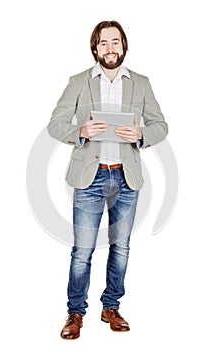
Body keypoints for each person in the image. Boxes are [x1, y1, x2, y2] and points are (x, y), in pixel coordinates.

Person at [48, 20, 168, 339]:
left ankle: (111, 307)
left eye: (116, 42)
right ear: (95, 48)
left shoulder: (140, 83)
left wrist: (142, 134)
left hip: (126, 179)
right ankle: (75, 314)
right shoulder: (78, 82)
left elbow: (161, 125)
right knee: (82, 251)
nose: (110, 48)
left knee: (121, 248)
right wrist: (80, 132)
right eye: (104, 43)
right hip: (90, 178)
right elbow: (55, 124)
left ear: (124, 46)